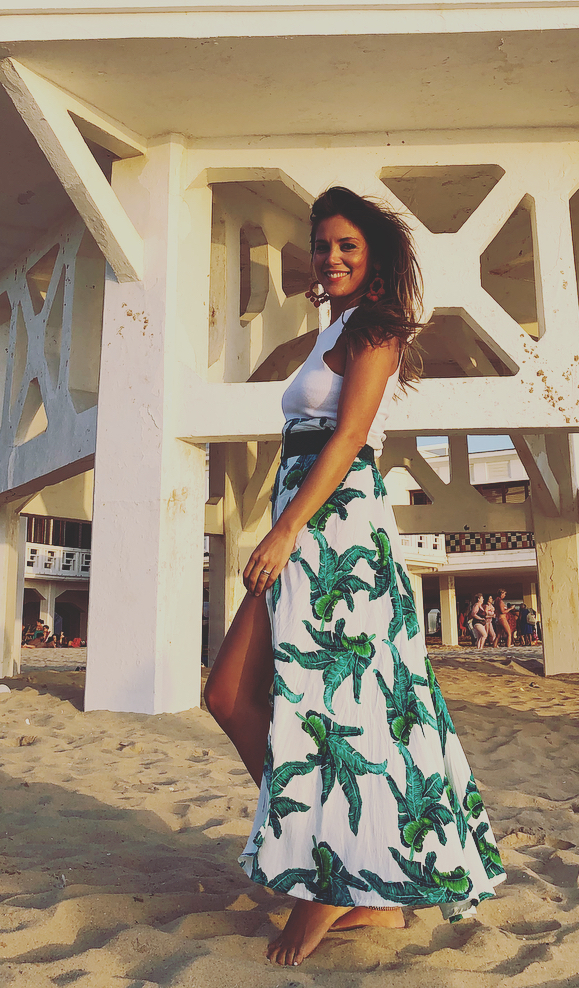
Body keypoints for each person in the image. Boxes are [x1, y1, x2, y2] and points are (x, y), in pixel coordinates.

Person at [204, 186, 504, 966]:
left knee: (337, 707)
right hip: (306, 522)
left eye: (347, 246)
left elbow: (348, 439)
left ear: (372, 259)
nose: (331, 257)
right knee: (229, 695)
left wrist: (283, 531)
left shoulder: (376, 329)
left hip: (335, 531)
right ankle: (346, 872)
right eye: (323, 244)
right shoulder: (332, 330)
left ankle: (331, 881)